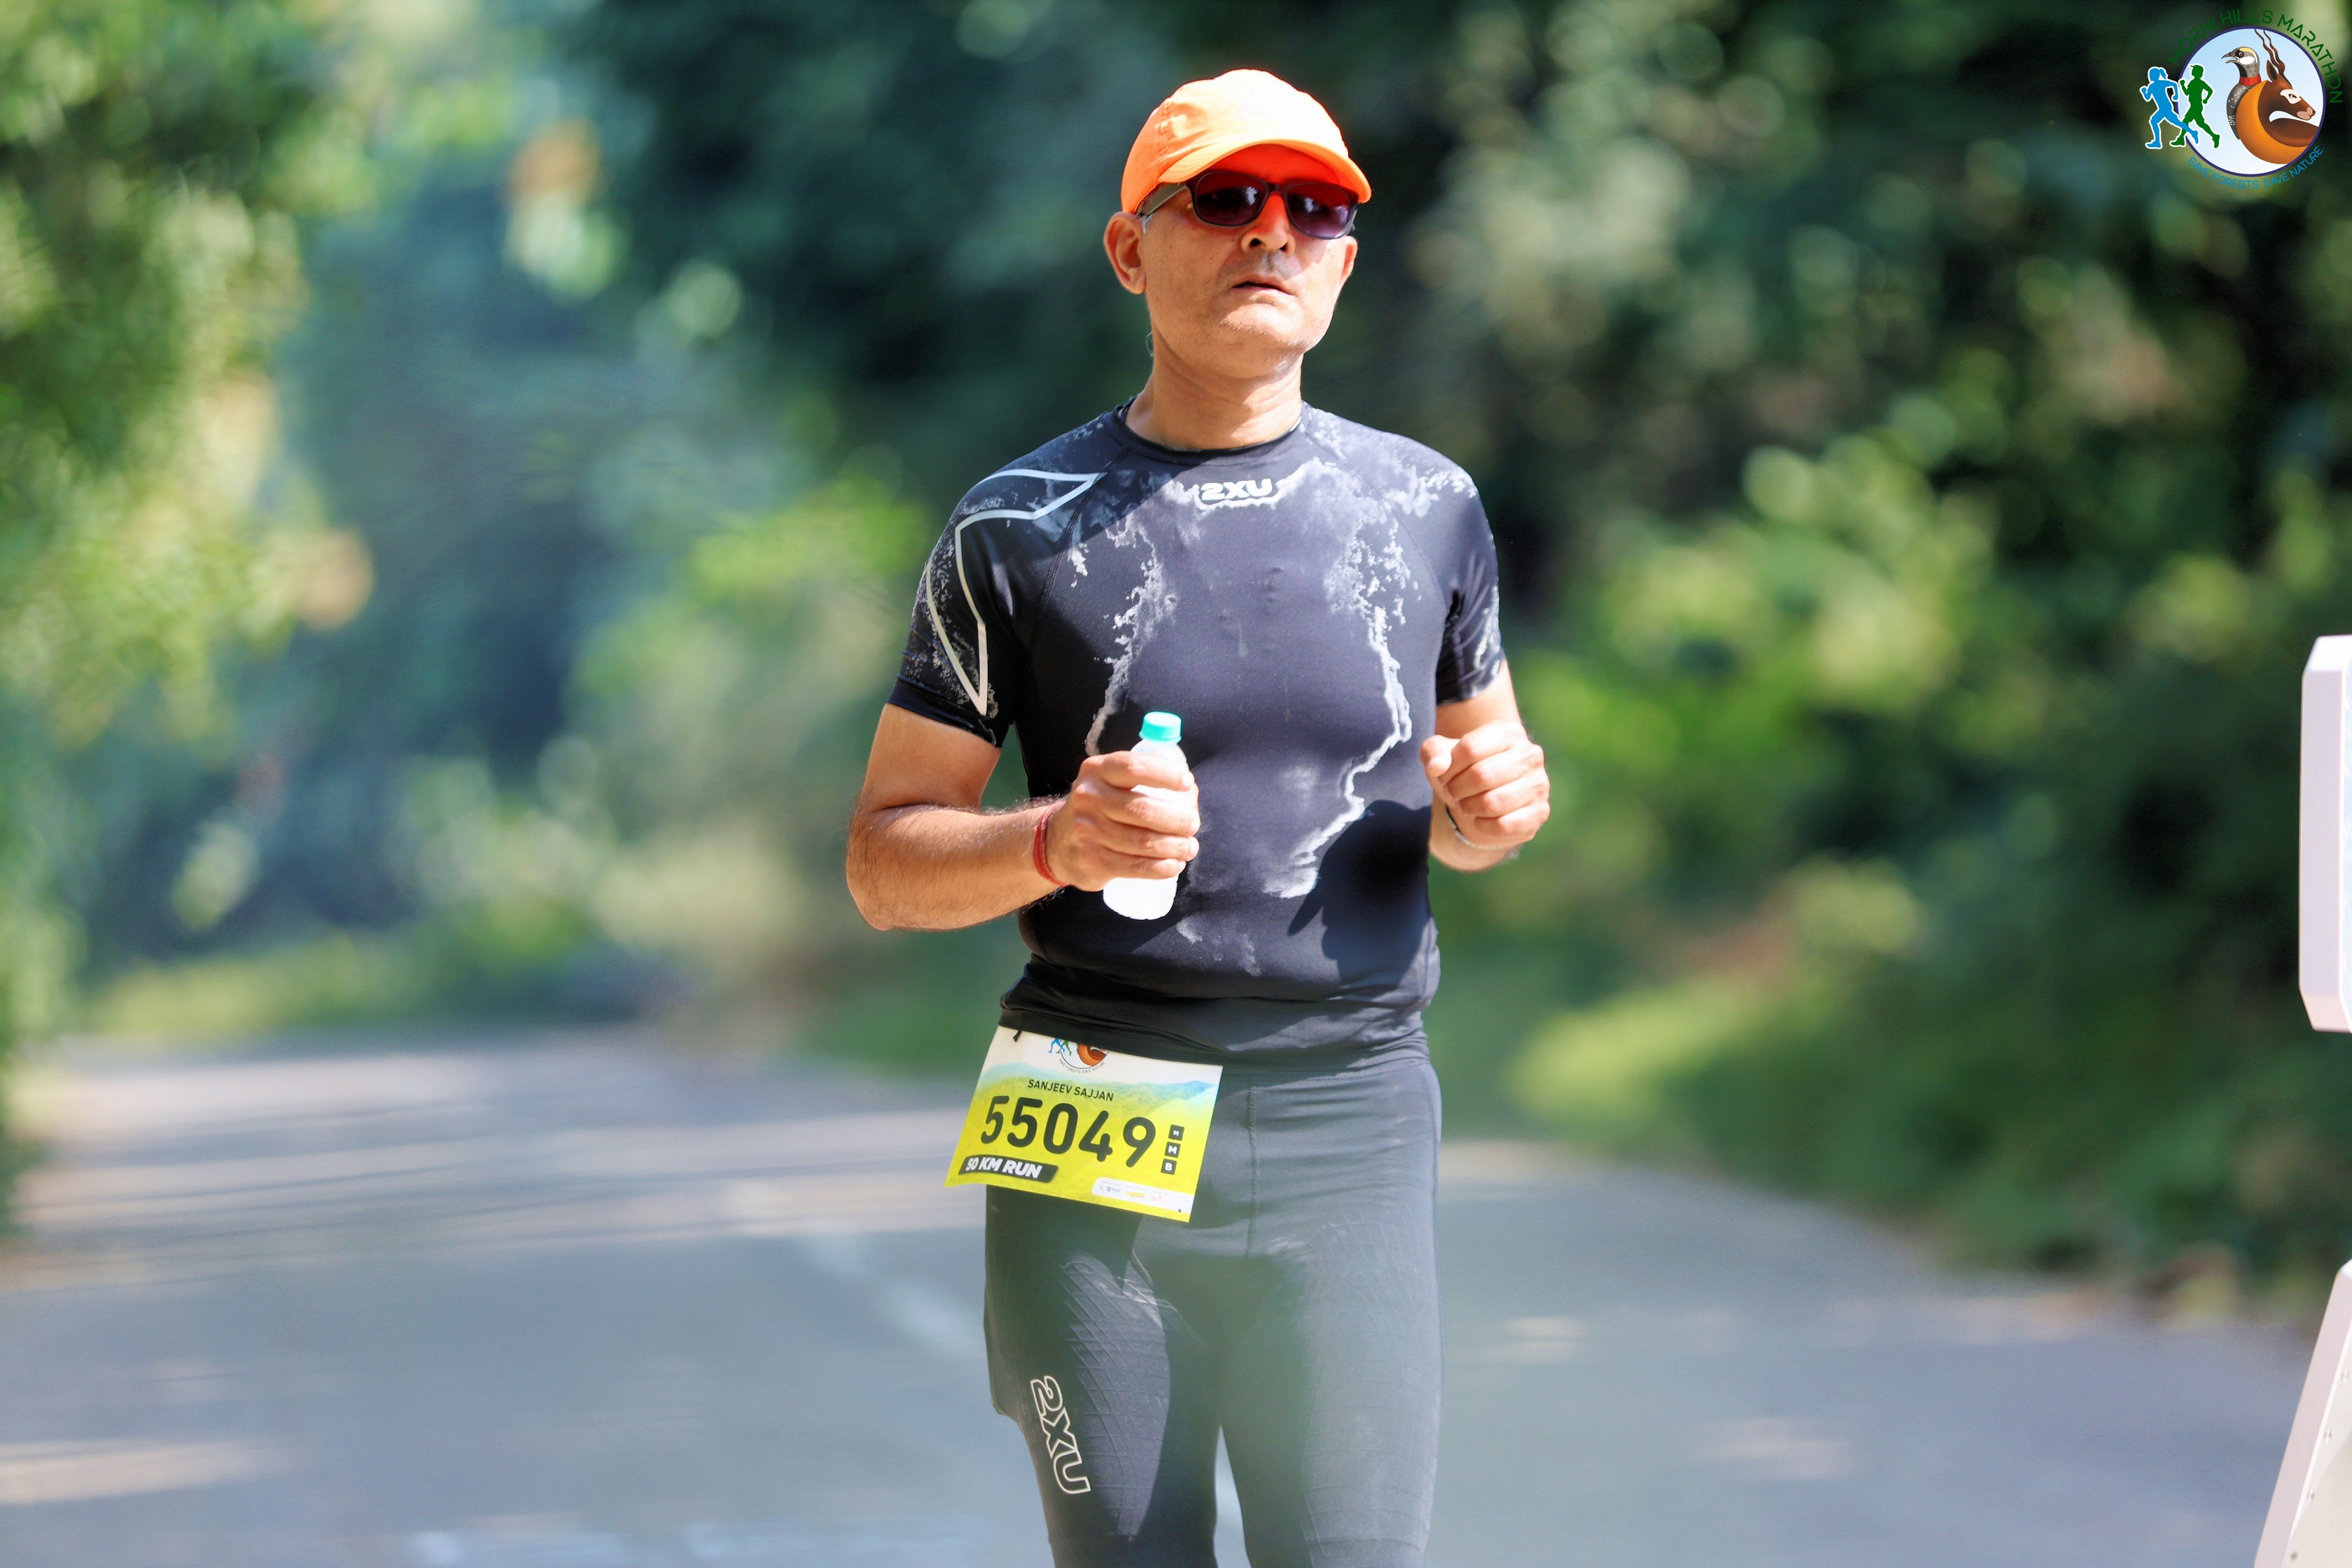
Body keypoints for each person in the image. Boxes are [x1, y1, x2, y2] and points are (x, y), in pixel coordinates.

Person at [846, 67, 1550, 1568]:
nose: (1272, 234)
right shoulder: (1015, 528)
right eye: (1226, 199)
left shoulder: (1428, 508)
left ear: (1345, 260)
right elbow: (885, 863)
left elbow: (1472, 803)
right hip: (1093, 1102)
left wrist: (1491, 815)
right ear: (1130, 249)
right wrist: (1056, 841)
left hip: (1346, 1115)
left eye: (1317, 208)